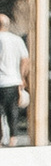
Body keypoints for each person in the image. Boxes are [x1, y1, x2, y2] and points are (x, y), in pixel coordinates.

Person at [0, 9, 26, 147]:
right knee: (12, 110)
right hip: (13, 80)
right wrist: (22, 76)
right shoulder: (16, 39)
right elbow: (25, 59)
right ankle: (13, 137)